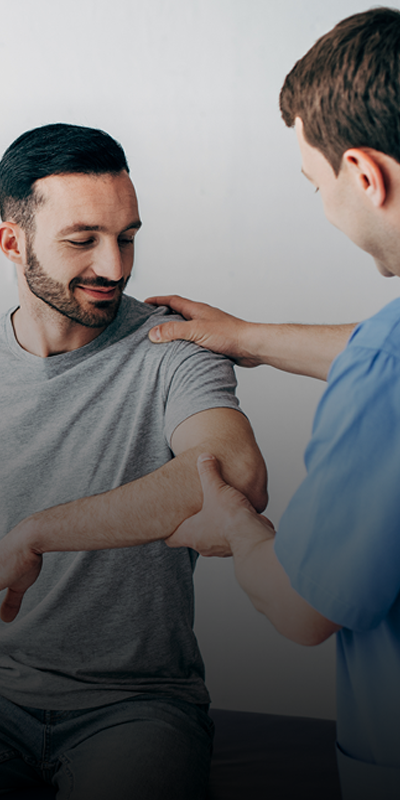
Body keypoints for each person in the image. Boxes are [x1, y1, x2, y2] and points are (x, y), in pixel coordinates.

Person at [145, 8, 400, 799]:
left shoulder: (384, 370)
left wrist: (234, 526)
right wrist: (247, 338)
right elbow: (379, 350)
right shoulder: (384, 357)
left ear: (365, 174)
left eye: (316, 185)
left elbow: (301, 610)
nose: (323, 205)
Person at [0, 122, 267, 799]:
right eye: (82, 240)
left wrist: (37, 533)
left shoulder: (173, 346)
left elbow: (234, 472)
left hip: (138, 704)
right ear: (12, 242)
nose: (116, 268)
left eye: (127, 237)